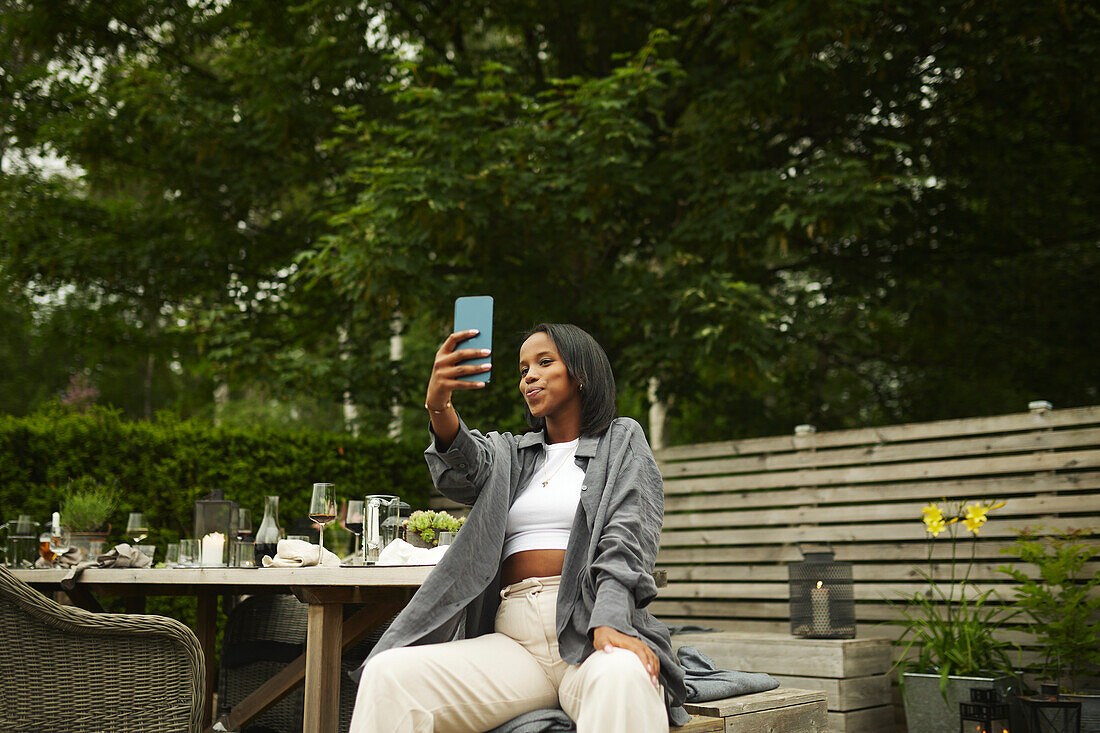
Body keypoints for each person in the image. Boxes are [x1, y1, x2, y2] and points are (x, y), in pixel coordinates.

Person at [350, 323, 685, 733]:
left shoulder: (621, 440)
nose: (529, 375)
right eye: (523, 368)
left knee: (625, 678)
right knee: (390, 676)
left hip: (588, 627)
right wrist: (439, 404)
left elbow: (627, 537)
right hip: (513, 642)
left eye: (545, 362)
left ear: (582, 373)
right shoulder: (512, 453)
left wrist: (611, 620)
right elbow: (463, 467)